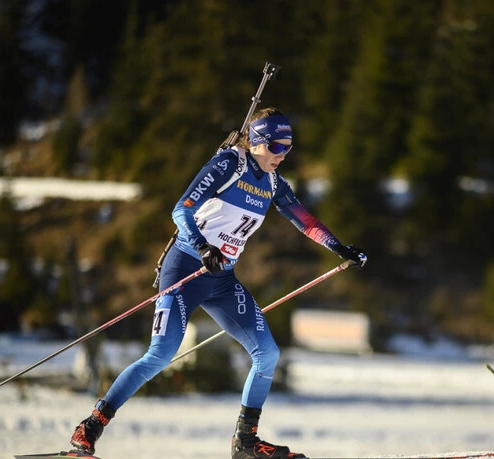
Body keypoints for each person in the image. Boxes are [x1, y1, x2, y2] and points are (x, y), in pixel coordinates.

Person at [69, 108, 367, 459]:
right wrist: (202, 246)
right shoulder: (230, 164)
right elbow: (181, 210)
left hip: (222, 280)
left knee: (268, 353)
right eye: (275, 145)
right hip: (185, 269)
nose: (282, 154)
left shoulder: (273, 183)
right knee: (161, 354)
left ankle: (245, 442)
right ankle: (90, 427)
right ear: (255, 140)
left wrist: (339, 247)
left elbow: (304, 220)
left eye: (288, 147)